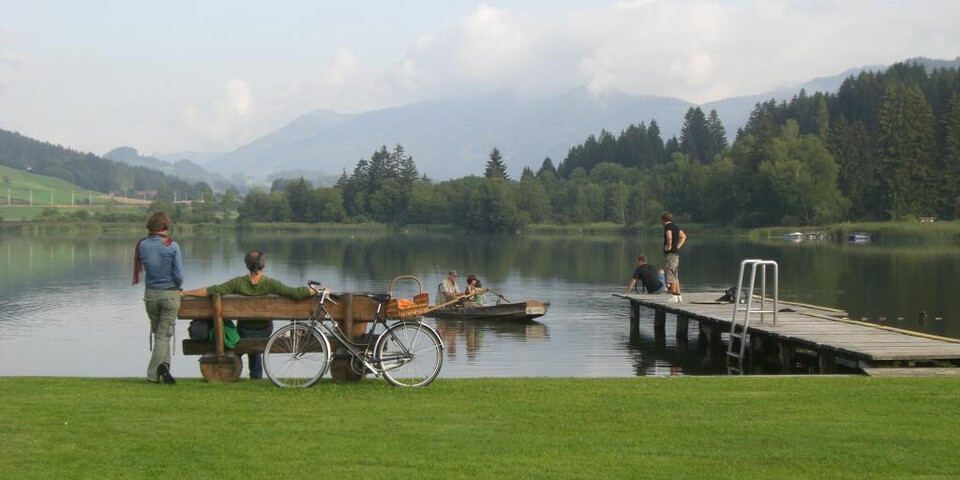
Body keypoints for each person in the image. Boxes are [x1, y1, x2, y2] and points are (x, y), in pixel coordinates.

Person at [180, 250, 320, 379]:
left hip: (243, 330)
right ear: (263, 266)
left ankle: (237, 371)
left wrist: (186, 292)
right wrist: (317, 290)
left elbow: (212, 290)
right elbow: (294, 293)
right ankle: (256, 375)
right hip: (264, 331)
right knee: (255, 346)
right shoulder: (270, 284)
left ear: (247, 265)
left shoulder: (238, 283)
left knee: (244, 338)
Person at [133, 211, 184, 385]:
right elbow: (179, 274)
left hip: (150, 295)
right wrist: (179, 287)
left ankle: (165, 368)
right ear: (165, 227)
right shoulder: (172, 245)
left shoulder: (142, 245)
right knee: (163, 335)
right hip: (170, 294)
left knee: (160, 334)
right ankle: (152, 375)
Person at [662, 211, 687, 303]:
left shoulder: (667, 227)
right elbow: (683, 236)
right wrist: (677, 246)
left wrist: (669, 246)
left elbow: (669, 237)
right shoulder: (676, 227)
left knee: (670, 273)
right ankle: (678, 295)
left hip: (671, 254)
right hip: (676, 254)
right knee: (675, 274)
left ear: (663, 219)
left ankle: (673, 296)